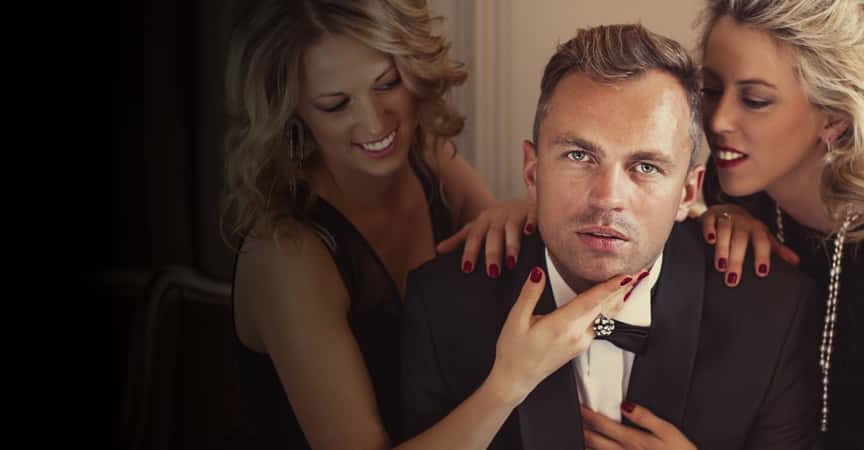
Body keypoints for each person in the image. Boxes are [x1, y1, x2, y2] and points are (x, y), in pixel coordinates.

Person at [221, 1, 623, 449]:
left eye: (387, 84)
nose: (375, 122)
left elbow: (514, 268)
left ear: (413, 71)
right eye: (335, 105)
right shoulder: (286, 255)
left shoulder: (429, 162)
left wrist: (522, 210)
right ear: (292, 115)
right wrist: (509, 384)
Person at [399, 24, 820, 449]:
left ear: (687, 192)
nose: (608, 198)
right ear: (533, 171)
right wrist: (504, 388)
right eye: (579, 156)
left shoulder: (773, 313)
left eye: (646, 167)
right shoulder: (440, 305)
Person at [690, 1, 864, 447]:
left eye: (755, 100)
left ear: (834, 117)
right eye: (711, 89)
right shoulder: (725, 190)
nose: (718, 120)